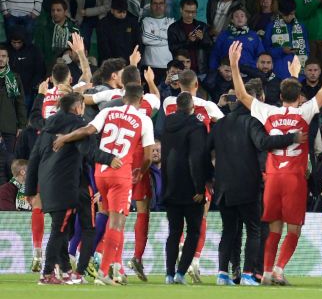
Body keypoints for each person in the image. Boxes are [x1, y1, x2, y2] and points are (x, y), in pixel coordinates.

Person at [228, 35, 322, 285]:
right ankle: (279, 268)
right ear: (300, 97)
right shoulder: (305, 111)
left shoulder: (269, 112)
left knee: (274, 228)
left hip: (272, 178)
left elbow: (241, 94)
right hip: (294, 179)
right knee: (294, 230)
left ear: (279, 95)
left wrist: (234, 65)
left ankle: (266, 272)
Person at [52, 84, 154, 285]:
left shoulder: (108, 111)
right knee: (118, 223)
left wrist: (66, 137)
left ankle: (109, 266)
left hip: (101, 172)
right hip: (121, 174)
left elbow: (87, 130)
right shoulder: (144, 120)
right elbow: (149, 156)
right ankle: (105, 272)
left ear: (124, 97)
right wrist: (139, 172)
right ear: (141, 100)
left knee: (105, 215)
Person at [25, 92, 121, 285]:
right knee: (60, 230)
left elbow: (34, 158)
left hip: (47, 185)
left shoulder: (47, 126)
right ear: (78, 107)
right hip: (65, 183)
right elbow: (89, 151)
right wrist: (109, 159)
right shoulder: (78, 124)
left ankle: (67, 271)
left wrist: (30, 190)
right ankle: (47, 274)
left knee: (59, 228)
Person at [210, 78, 299, 286]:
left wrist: (207, 178)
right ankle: (250, 274)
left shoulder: (221, 122)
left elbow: (205, 151)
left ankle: (223, 274)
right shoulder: (253, 122)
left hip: (223, 187)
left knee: (229, 231)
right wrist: (292, 137)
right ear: (258, 98)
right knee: (255, 230)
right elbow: (263, 143)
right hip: (248, 186)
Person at [161, 92, 210, 285]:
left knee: (174, 232)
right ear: (192, 107)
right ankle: (181, 273)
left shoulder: (167, 124)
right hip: (190, 189)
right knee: (193, 232)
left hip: (170, 186)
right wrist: (200, 187)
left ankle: (169, 274)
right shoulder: (196, 126)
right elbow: (196, 159)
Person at [263, 0, 310, 80]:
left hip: (299, 74)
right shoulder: (271, 26)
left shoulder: (301, 27)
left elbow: (307, 49)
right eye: (286, 15)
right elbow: (266, 50)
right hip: (278, 73)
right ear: (280, 12)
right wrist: (282, 50)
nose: (289, 17)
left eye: (291, 14)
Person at [211, 7, 265, 75]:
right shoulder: (224, 35)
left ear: (246, 19)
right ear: (232, 20)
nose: (239, 18)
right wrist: (215, 70)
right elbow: (215, 54)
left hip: (249, 70)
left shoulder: (253, 35)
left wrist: (254, 66)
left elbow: (261, 55)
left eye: (242, 16)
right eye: (236, 16)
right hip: (228, 72)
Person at [167, 0, 213, 76]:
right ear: (181, 10)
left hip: (200, 70)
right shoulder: (173, 28)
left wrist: (203, 39)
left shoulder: (203, 26)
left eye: (193, 12)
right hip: (180, 70)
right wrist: (188, 41)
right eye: (187, 11)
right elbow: (172, 49)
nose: (190, 15)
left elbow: (210, 47)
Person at [6, 26, 45, 111]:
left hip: (27, 90)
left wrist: (33, 84)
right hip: (8, 90)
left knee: (25, 112)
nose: (16, 45)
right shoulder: (5, 50)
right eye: (14, 42)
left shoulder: (33, 50)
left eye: (19, 42)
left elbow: (39, 69)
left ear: (23, 41)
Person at [34, 0, 80, 66]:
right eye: (53, 10)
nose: (55, 13)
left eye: (58, 10)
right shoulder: (43, 29)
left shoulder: (74, 30)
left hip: (69, 68)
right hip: (48, 67)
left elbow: (79, 52)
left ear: (65, 12)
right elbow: (38, 51)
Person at [142, 0, 175, 83]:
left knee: (168, 94)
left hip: (169, 66)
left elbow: (173, 39)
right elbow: (145, 39)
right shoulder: (146, 21)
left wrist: (155, 34)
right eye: (155, 3)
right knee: (149, 95)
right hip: (149, 65)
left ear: (165, 5)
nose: (158, 6)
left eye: (161, 3)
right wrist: (166, 38)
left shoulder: (171, 22)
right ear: (151, 6)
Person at [0, 44, 27, 153]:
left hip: (9, 127)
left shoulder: (14, 78)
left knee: (9, 162)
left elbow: (20, 103)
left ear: (8, 59)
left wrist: (21, 126)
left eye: (3, 56)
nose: (0, 59)